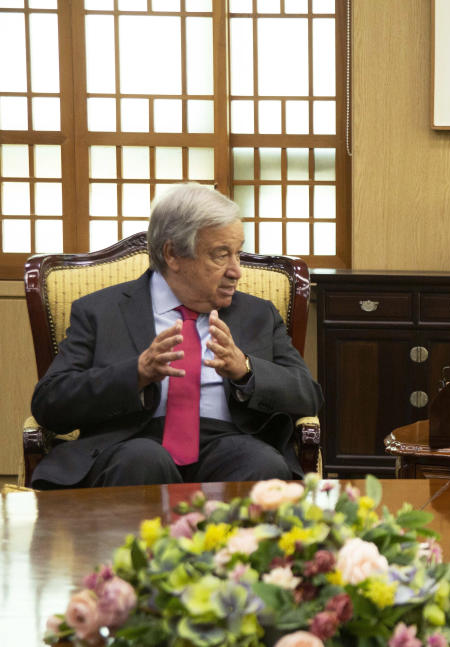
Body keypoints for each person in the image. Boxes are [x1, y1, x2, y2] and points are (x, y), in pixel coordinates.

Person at [30, 183, 323, 488]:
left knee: (262, 463)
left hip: (230, 442)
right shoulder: (100, 311)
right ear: (172, 254)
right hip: (132, 442)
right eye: (221, 255)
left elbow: (308, 396)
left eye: (238, 254)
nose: (236, 271)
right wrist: (136, 374)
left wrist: (246, 371)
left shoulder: (258, 314)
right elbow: (50, 404)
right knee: (143, 460)